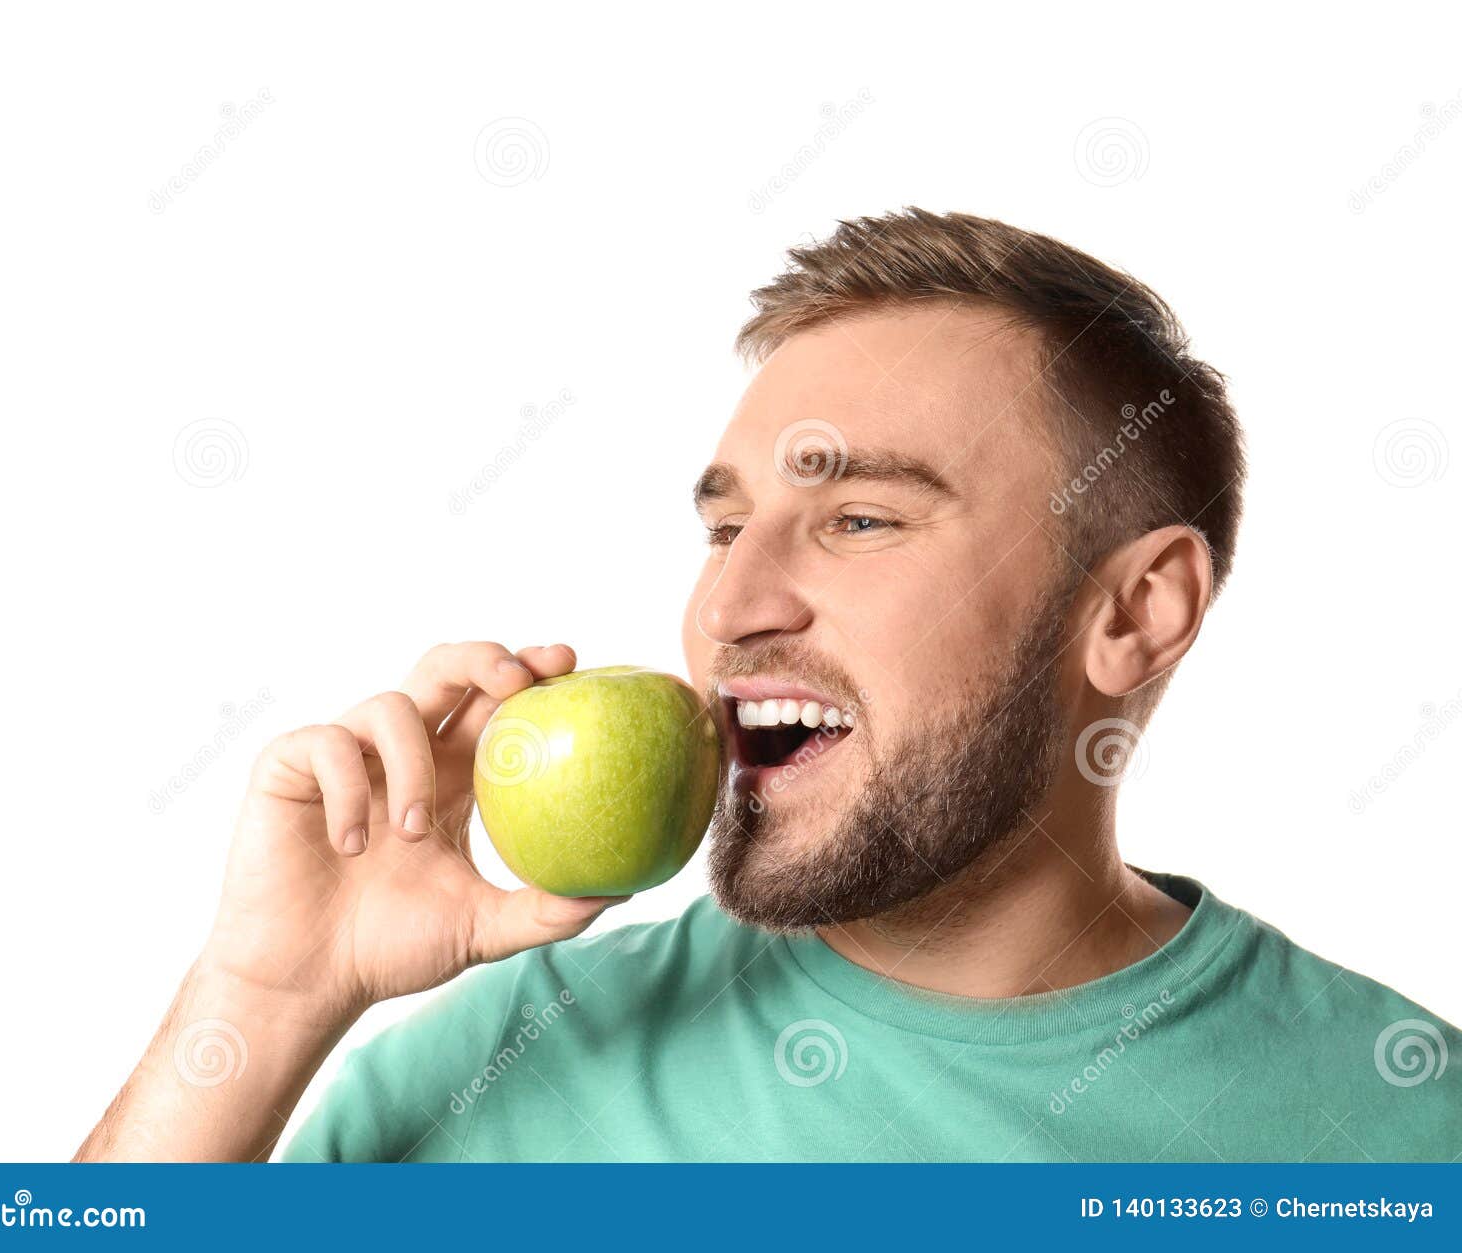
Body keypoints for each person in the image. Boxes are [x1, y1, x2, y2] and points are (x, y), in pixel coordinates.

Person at [77, 209, 1460, 1163]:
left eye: (860, 518)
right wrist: (260, 998)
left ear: (1134, 611)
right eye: (725, 529)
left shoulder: (1402, 1126)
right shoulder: (506, 1058)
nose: (727, 608)